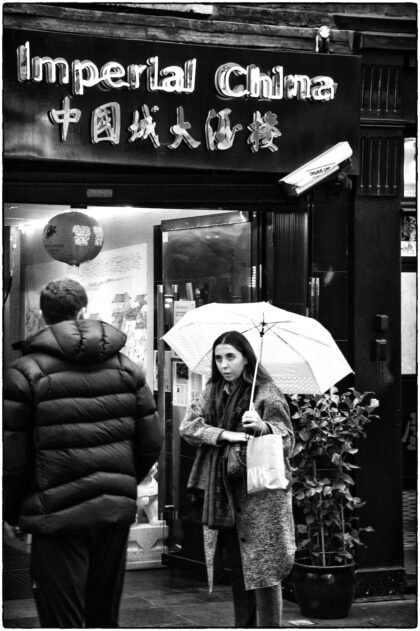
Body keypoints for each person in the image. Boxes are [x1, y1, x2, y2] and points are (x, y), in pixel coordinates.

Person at [3, 278, 163, 628]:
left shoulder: (24, 373)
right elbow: (151, 442)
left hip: (55, 515)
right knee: (104, 615)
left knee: (62, 617)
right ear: (83, 311)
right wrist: (120, 482)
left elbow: (14, 459)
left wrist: (12, 511)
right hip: (112, 511)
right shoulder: (126, 367)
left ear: (43, 317)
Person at [180, 330, 296, 628]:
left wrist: (262, 427)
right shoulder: (212, 391)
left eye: (231, 357)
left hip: (260, 495)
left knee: (264, 571)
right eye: (218, 358)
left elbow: (288, 441)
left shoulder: (266, 392)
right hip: (226, 494)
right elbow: (189, 427)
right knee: (242, 569)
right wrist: (224, 434)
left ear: (246, 359)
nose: (224, 365)